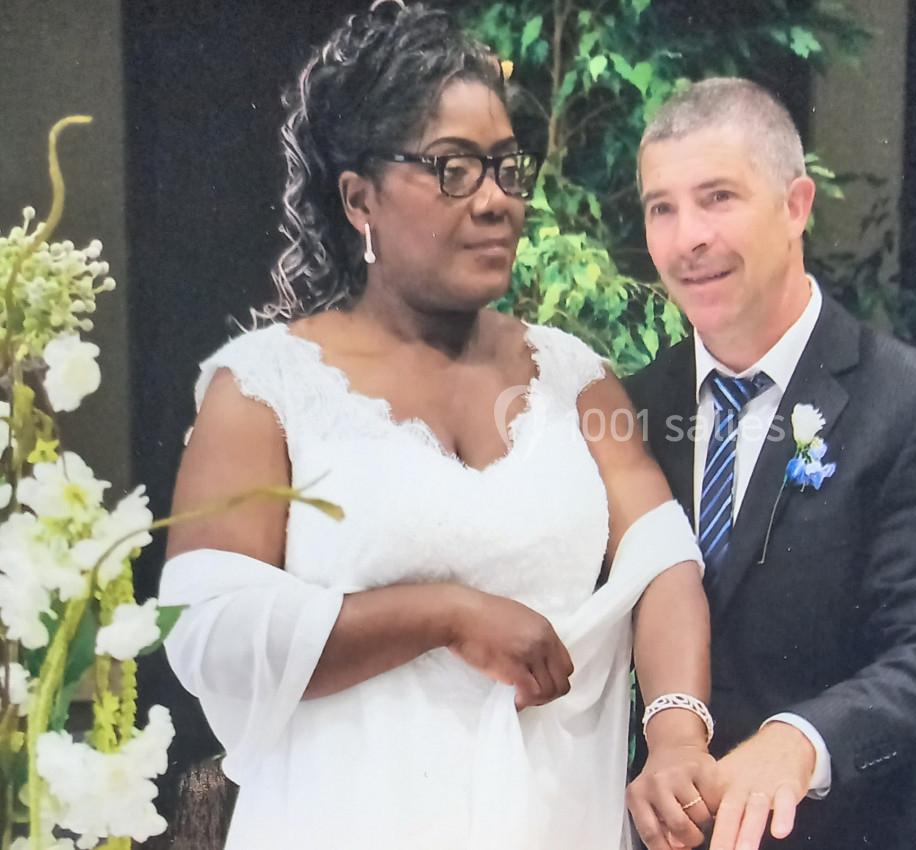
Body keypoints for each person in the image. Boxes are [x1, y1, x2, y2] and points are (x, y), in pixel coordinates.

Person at [158, 4, 719, 848]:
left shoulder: (577, 379)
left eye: (506, 168)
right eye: (453, 169)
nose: (496, 202)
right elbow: (209, 629)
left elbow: (663, 559)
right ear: (360, 199)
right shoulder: (265, 387)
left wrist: (675, 733)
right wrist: (443, 614)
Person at [624, 78, 916, 850]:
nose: (688, 238)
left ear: (796, 206)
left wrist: (802, 741)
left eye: (717, 198)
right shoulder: (630, 411)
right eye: (662, 208)